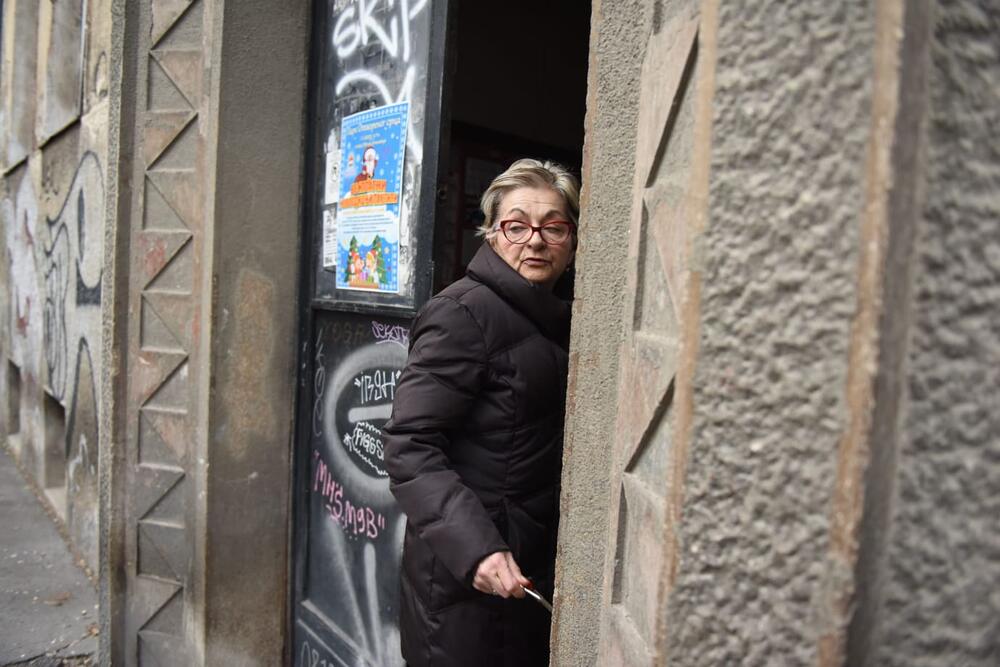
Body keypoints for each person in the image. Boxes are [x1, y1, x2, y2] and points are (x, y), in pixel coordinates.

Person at [383, 158, 579, 666]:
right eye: (517, 226)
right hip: (467, 576)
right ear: (491, 234)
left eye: (553, 227)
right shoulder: (462, 314)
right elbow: (410, 446)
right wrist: (477, 548)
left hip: (529, 566)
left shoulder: (562, 315)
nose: (535, 241)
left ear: (573, 240)